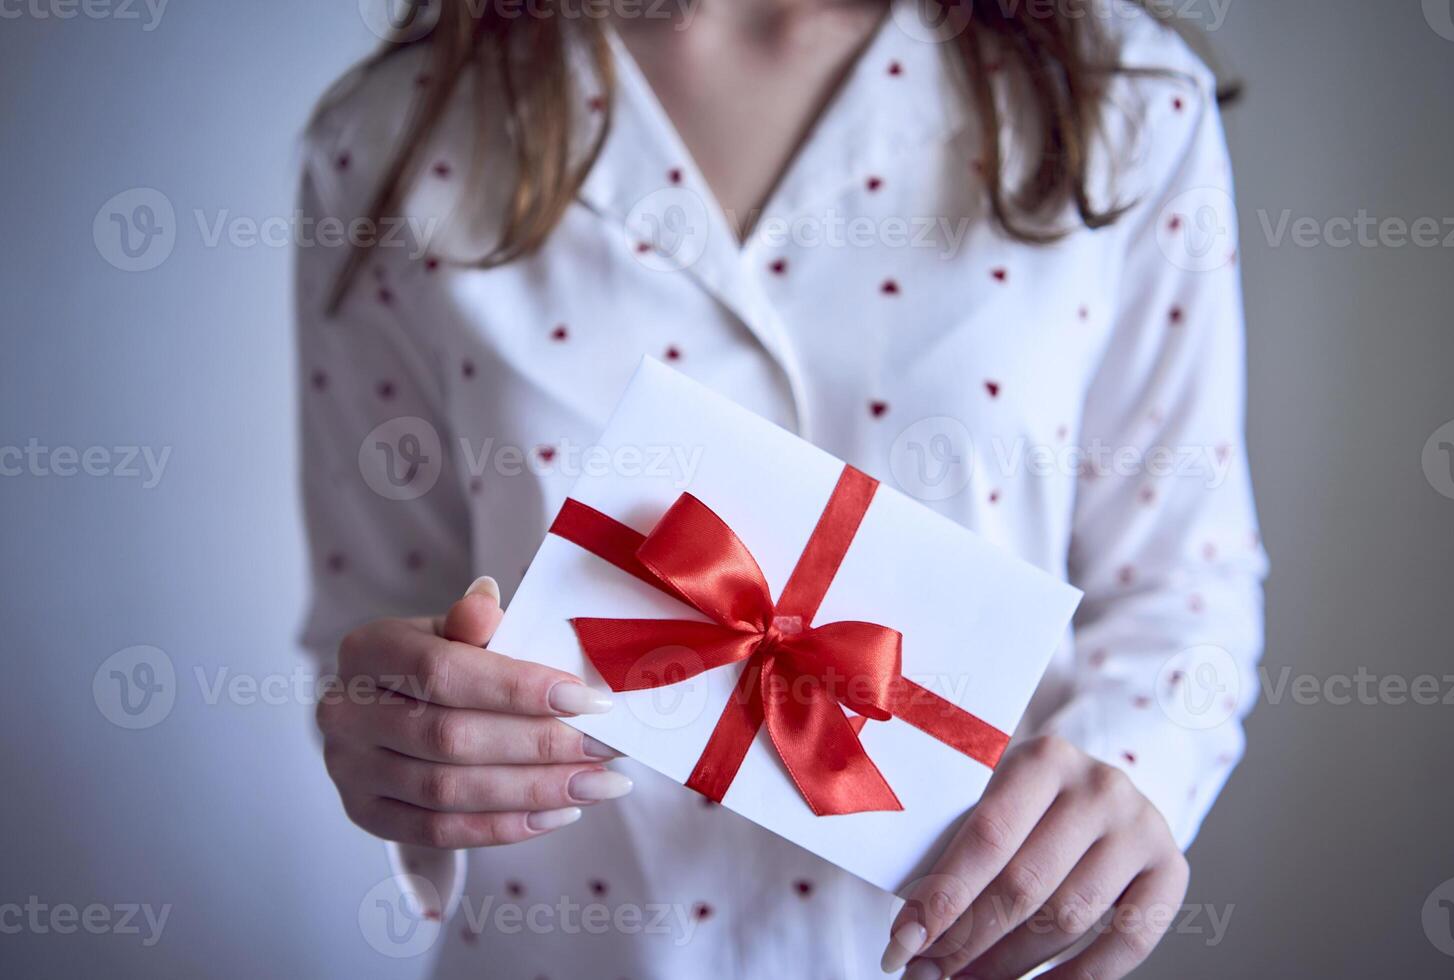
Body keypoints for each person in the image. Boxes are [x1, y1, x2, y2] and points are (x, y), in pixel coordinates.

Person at [298, 1, 1267, 976]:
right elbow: (374, 604)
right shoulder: (392, 138)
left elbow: (1183, 589)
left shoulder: (1121, 96)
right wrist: (396, 733)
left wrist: (1136, 768)